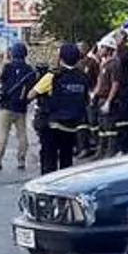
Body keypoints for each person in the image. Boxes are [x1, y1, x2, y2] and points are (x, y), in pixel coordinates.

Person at [28, 42, 90, 173]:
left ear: (60, 58)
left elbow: (30, 95)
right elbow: (86, 100)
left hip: (53, 124)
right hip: (72, 126)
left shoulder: (53, 76)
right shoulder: (83, 77)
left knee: (49, 160)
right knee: (66, 161)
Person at [0, 41, 38, 172]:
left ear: (12, 53)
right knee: (22, 134)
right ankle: (21, 160)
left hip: (6, 106)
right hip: (21, 107)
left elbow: (1, 81)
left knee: (3, 133)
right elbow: (32, 87)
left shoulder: (7, 67)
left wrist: (4, 62)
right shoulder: (30, 70)